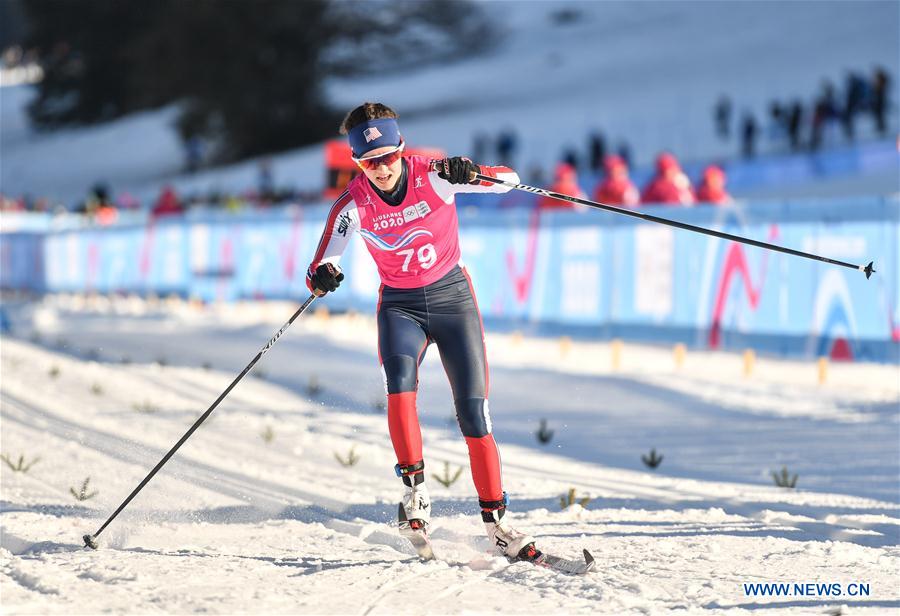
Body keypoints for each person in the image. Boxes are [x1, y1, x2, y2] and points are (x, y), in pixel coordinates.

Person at [306, 102, 539, 561]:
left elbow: (510, 180)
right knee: (399, 387)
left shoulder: (434, 175)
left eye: (388, 157)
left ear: (401, 149)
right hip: (401, 307)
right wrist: (323, 276)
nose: (381, 169)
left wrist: (472, 171)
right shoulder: (353, 202)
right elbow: (321, 262)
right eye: (369, 163)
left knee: (473, 413)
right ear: (357, 163)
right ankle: (415, 495)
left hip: (453, 301)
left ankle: (496, 523)